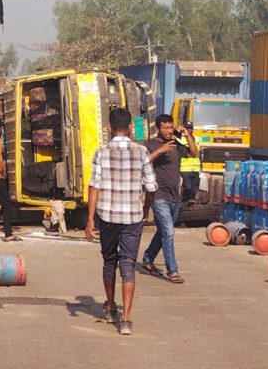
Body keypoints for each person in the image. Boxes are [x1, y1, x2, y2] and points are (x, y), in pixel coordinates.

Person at [85, 108, 158, 336]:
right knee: (127, 263)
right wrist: (145, 208)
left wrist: (89, 219)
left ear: (109, 127)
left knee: (109, 260)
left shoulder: (101, 151)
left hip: (107, 215)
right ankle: (126, 319)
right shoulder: (142, 152)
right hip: (133, 216)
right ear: (129, 128)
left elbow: (94, 185)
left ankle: (111, 306)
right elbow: (151, 187)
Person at [140, 115, 192, 284]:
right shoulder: (149, 145)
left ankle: (147, 259)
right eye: (166, 128)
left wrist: (187, 136)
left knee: (163, 231)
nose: (169, 131)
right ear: (157, 129)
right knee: (169, 232)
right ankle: (173, 270)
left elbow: (194, 153)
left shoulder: (176, 145)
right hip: (158, 195)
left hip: (174, 196)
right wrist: (160, 151)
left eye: (171, 128)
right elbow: (141, 162)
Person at [177, 121, 201, 205]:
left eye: (190, 128)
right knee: (187, 186)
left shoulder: (197, 138)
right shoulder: (179, 138)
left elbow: (198, 153)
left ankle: (191, 199)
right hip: (185, 167)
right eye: (187, 128)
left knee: (195, 186)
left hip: (195, 168)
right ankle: (184, 199)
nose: (189, 130)